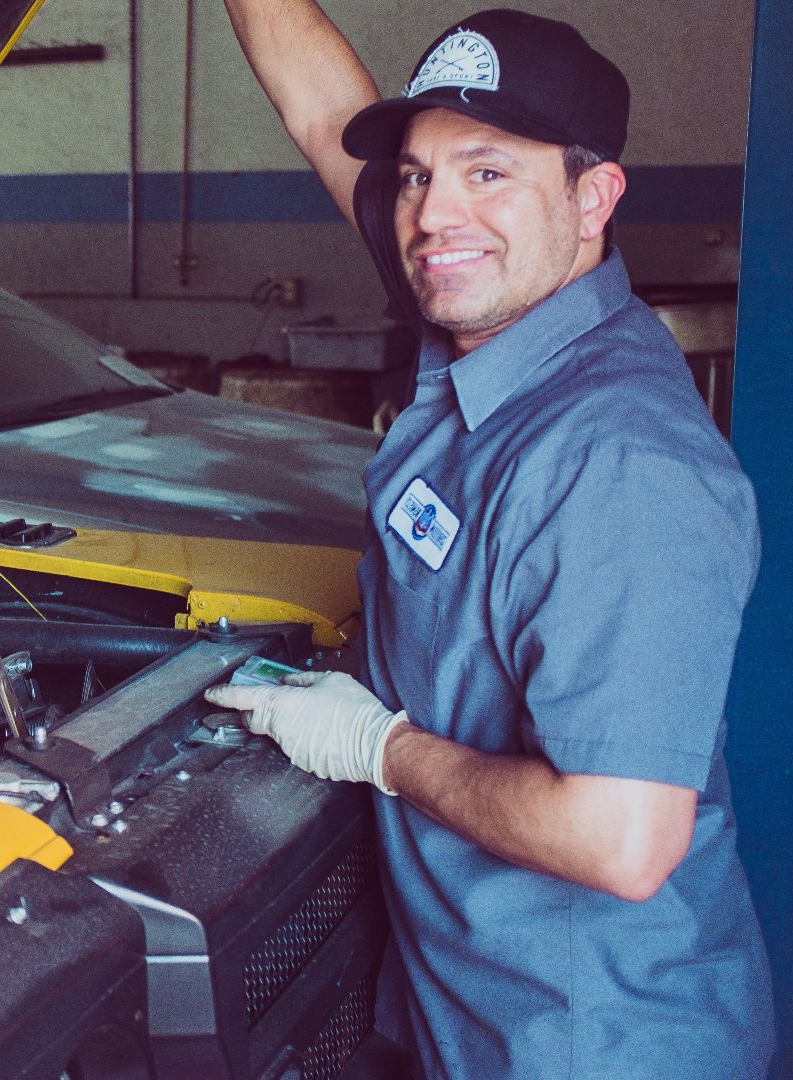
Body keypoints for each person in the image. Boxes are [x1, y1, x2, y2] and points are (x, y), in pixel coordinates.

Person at [208, 5, 775, 1077]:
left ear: (593, 196)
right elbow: (325, 110)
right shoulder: (499, 318)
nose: (432, 216)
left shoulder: (621, 465)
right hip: (471, 1018)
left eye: (488, 173)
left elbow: (620, 839)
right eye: (418, 176)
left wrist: (376, 747)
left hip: (589, 1044)